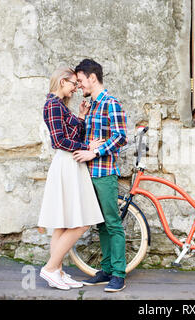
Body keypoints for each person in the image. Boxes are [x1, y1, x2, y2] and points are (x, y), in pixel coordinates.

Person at [38, 66, 105, 290]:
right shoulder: (52, 105)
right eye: (73, 84)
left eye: (78, 84)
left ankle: (57, 270)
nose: (77, 88)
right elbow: (59, 141)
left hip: (70, 163)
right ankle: (50, 268)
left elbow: (72, 134)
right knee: (81, 222)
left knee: (63, 223)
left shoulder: (59, 105)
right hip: (67, 163)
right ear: (62, 81)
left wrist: (81, 116)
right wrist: (87, 146)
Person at [72, 59, 128, 292]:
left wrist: (95, 151)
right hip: (90, 173)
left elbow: (121, 136)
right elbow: (88, 140)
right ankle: (106, 271)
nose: (79, 86)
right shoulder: (92, 105)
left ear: (92, 78)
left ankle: (119, 274)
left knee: (113, 224)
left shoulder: (111, 103)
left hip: (104, 173)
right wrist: (82, 117)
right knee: (101, 225)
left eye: (81, 81)